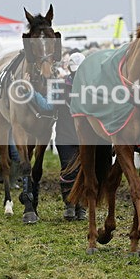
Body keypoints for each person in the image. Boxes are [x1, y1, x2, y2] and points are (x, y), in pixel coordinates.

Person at [54, 52, 86, 220]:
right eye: (75, 72)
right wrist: (33, 95)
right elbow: (48, 106)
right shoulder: (60, 88)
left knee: (84, 172)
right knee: (68, 171)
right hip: (65, 136)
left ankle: (82, 206)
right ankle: (69, 204)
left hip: (84, 138)